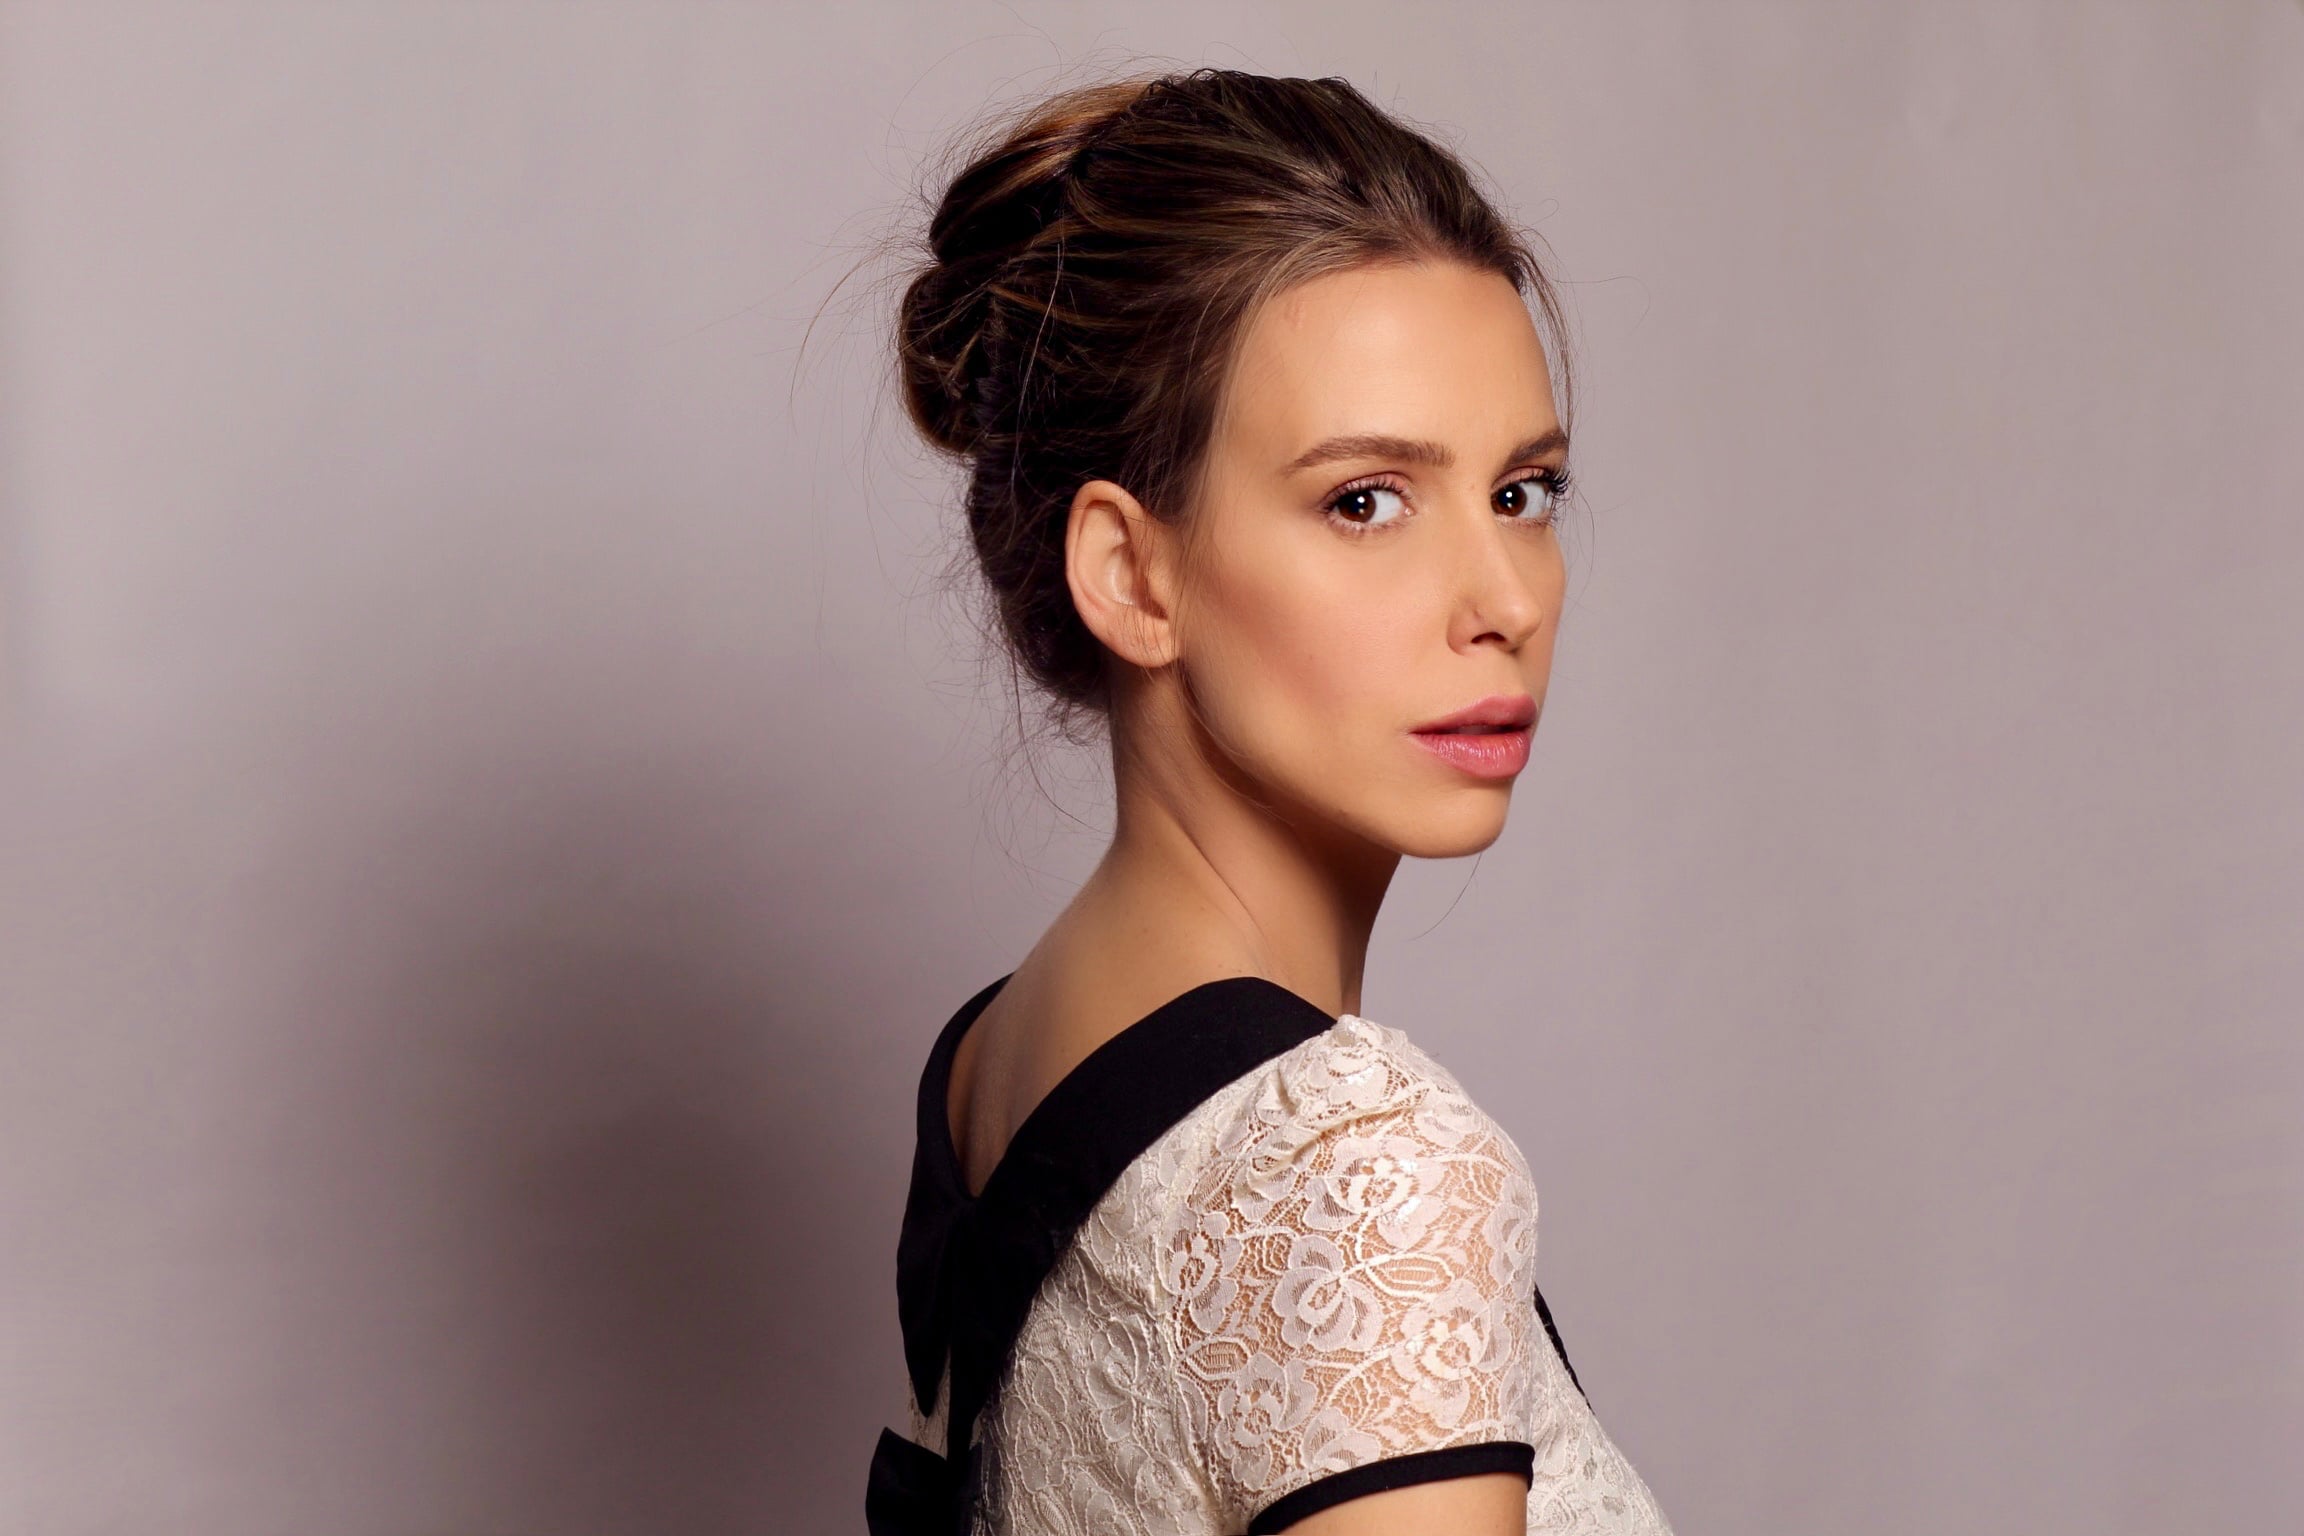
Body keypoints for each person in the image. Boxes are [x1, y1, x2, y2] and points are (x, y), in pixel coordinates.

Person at [866, 68, 1675, 1536]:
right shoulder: (1357, 1167)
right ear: (1132, 573)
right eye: (1366, 500)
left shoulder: (1006, 1052)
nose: (1504, 601)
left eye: (1524, 493)